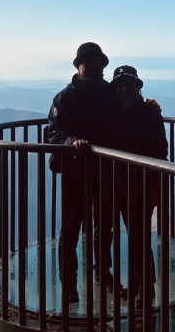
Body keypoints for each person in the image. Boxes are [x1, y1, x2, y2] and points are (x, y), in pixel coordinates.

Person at [45, 42, 120, 305]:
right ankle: (69, 284)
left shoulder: (111, 93)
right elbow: (54, 132)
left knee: (104, 226)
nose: (97, 67)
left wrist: (151, 108)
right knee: (71, 228)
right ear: (79, 66)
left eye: (99, 62)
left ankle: (102, 272)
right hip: (76, 171)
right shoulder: (65, 98)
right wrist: (71, 142)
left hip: (104, 170)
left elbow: (129, 114)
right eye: (91, 62)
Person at [111, 65, 168, 307]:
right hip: (120, 184)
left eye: (128, 85)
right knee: (134, 235)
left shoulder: (150, 114)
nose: (124, 89)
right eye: (120, 85)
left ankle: (147, 287)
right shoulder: (112, 112)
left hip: (142, 184)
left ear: (137, 87)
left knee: (139, 236)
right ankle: (137, 285)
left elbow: (160, 151)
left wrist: (156, 185)